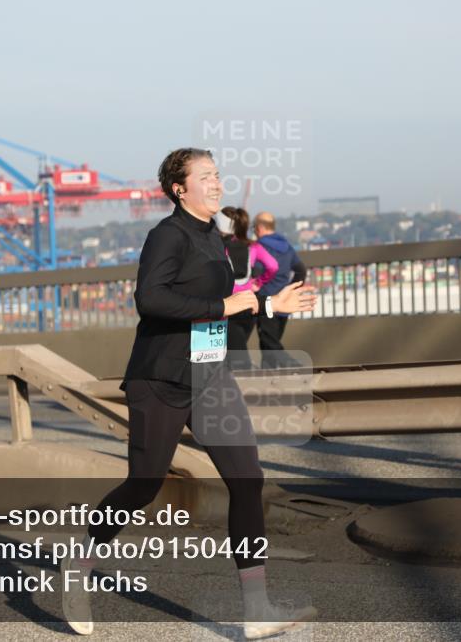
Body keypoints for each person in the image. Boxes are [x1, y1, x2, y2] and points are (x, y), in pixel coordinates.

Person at [61, 148, 318, 639]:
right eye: (207, 177)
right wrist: (227, 303)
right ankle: (81, 560)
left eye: (218, 175)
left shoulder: (215, 237)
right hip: (160, 378)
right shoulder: (168, 235)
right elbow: (152, 299)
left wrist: (267, 303)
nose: (218, 183)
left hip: (210, 373)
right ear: (180, 189)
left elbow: (224, 308)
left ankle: (256, 608)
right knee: (144, 484)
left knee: (247, 480)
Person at [217, 206, 278, 370]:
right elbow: (273, 266)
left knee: (234, 356)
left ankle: (241, 389)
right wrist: (259, 282)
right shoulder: (253, 247)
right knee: (238, 347)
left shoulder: (218, 247)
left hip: (230, 305)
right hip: (250, 304)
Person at [253, 212, 307, 369]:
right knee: (269, 346)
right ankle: (268, 380)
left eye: (254, 227)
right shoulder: (287, 246)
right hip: (284, 304)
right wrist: (292, 291)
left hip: (266, 302)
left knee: (270, 344)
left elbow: (256, 272)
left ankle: (295, 367)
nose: (254, 231)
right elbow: (301, 270)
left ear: (260, 227)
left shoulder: (259, 247)